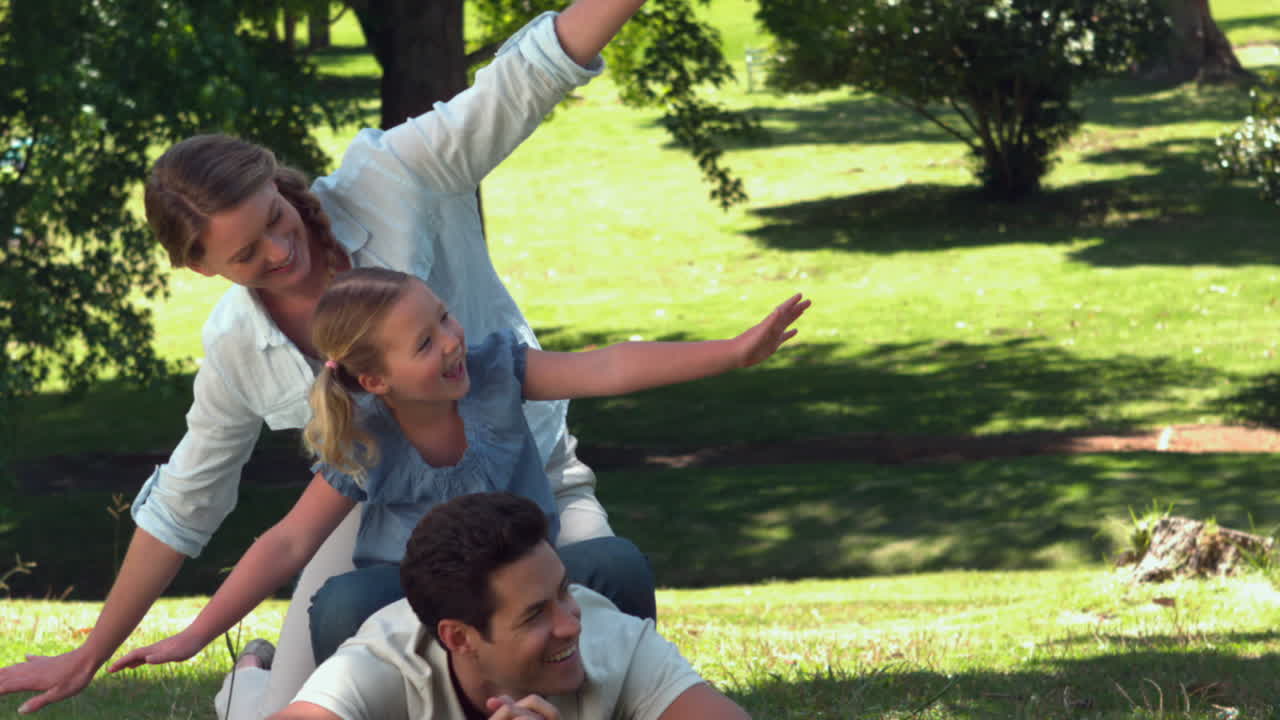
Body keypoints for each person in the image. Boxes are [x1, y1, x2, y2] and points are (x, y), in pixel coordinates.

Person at [0, 1, 650, 716]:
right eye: (245, 254)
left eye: (274, 218)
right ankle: (251, 682)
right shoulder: (237, 347)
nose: (281, 252)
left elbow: (521, 81)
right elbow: (190, 498)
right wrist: (92, 650)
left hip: (531, 484)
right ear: (201, 266)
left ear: (277, 184)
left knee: (604, 625)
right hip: (386, 524)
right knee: (302, 701)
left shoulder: (394, 179)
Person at [108, 268, 809, 675]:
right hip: (422, 597)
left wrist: (733, 353)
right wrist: (194, 635)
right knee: (345, 605)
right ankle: (258, 682)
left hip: (527, 574)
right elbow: (287, 544)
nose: (451, 343)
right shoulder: (365, 439)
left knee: (617, 566)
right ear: (376, 379)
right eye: (425, 343)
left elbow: (607, 365)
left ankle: (621, 700)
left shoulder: (499, 371)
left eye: (443, 319)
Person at [270, 492, 753, 720]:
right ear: (459, 638)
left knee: (616, 563)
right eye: (535, 613)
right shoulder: (383, 663)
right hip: (369, 622)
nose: (570, 624)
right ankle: (252, 672)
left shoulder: (616, 644)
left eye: (564, 590)